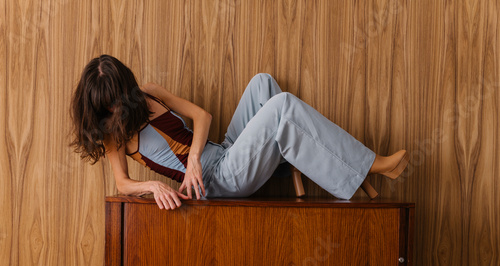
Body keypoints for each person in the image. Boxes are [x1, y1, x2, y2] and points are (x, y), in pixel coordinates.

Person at [70, 55, 409, 210]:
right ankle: (367, 165)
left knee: (263, 83)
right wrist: (153, 185)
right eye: (105, 106)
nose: (113, 111)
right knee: (282, 107)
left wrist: (194, 160)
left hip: (222, 153)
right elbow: (122, 183)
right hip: (216, 183)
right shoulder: (112, 136)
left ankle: (296, 166)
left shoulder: (150, 93)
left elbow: (203, 117)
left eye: (115, 101)